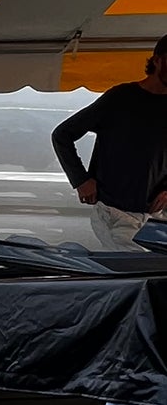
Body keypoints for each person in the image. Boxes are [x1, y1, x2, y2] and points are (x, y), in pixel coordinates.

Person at [51, 36, 167, 250]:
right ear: (158, 60)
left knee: (152, 275)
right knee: (140, 275)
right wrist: (81, 180)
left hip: (157, 217)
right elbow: (62, 134)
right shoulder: (121, 99)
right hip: (116, 214)